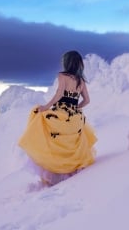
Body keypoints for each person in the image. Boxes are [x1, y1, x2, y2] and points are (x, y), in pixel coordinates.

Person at [18, 50, 97, 186]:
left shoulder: (62, 76)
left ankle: (53, 176)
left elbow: (59, 94)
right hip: (75, 118)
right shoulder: (81, 80)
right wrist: (76, 109)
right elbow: (87, 100)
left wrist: (46, 107)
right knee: (68, 144)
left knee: (43, 126)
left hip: (61, 113)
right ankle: (68, 173)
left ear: (66, 62)